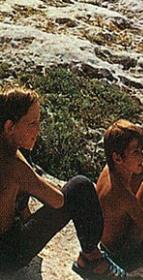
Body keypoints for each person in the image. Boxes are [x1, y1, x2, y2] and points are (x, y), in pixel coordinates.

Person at [0, 85, 126, 279]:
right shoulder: (14, 163)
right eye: (32, 123)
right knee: (80, 187)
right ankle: (91, 259)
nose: (38, 129)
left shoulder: (9, 150)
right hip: (7, 256)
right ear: (10, 126)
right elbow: (57, 200)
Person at [96, 119, 143, 266]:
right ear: (117, 157)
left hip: (105, 240)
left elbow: (139, 167)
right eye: (136, 152)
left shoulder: (111, 168)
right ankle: (142, 253)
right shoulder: (122, 194)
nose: (142, 157)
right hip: (121, 252)